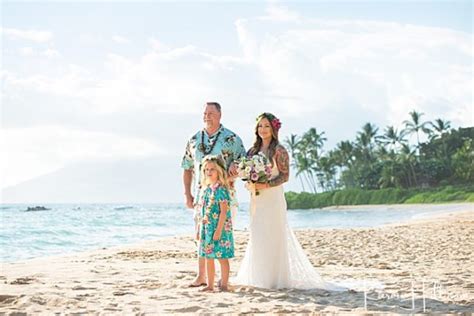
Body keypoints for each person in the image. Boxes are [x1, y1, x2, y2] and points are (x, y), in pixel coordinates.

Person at [234, 112, 344, 290]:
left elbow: (285, 176)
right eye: (260, 126)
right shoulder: (252, 151)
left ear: (273, 128)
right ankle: (259, 277)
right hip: (257, 200)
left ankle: (276, 279)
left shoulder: (279, 150)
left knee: (274, 236)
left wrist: (266, 185)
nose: (263, 129)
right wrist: (250, 182)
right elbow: (245, 173)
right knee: (258, 235)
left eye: (267, 126)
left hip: (273, 199)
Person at [181, 102, 246, 287]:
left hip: (225, 195)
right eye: (204, 113)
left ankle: (223, 279)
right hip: (201, 196)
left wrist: (237, 167)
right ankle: (202, 276)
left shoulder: (232, 139)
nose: (207, 116)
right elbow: (187, 168)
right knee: (201, 235)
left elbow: (244, 163)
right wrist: (187, 194)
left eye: (210, 112)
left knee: (221, 235)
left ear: (220, 115)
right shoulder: (194, 139)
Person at [196, 155, 234, 292]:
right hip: (207, 228)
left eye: (212, 169)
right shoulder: (205, 190)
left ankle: (224, 284)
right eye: (206, 170)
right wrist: (199, 228)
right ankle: (210, 285)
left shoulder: (221, 190)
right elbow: (202, 211)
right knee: (208, 257)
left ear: (219, 171)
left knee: (221, 257)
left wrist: (218, 230)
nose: (209, 172)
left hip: (219, 228)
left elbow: (223, 212)